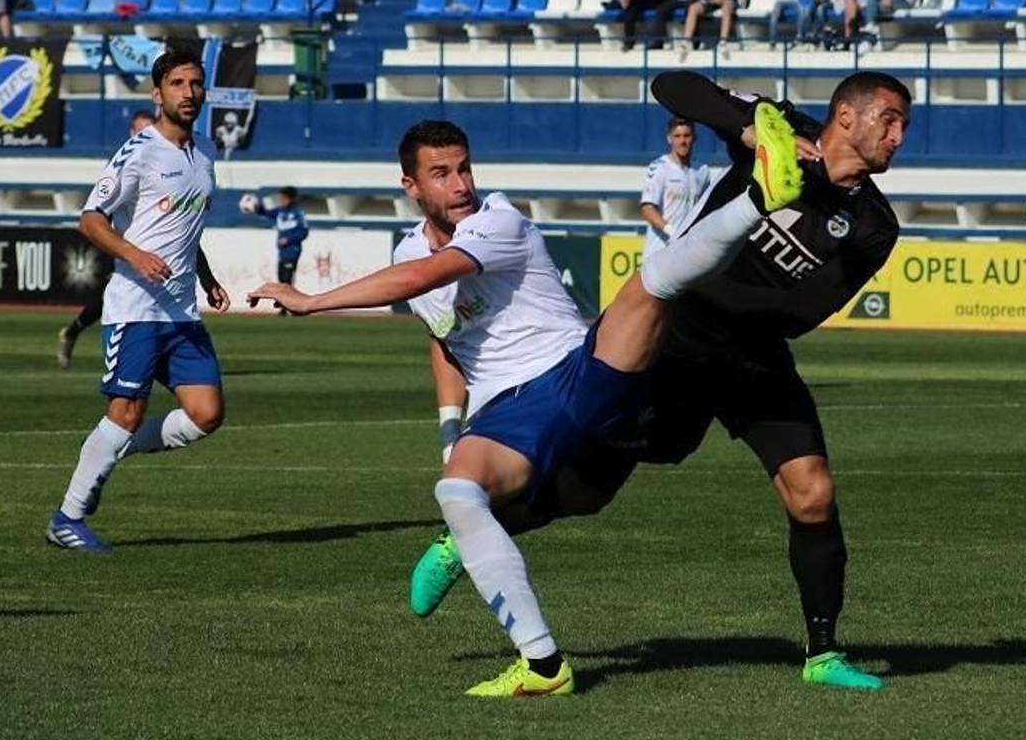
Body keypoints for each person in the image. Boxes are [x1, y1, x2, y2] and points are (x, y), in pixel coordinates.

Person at [247, 106, 808, 697]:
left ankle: (757, 197)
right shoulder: (406, 249)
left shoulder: (498, 217)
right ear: (410, 186)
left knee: (650, 286)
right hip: (512, 415)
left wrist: (312, 300)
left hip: (576, 372)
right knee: (459, 492)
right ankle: (543, 665)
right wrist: (450, 430)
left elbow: (424, 279)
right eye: (440, 173)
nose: (460, 184)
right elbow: (445, 341)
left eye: (464, 168)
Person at [407, 70, 912, 694]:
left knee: (813, 492)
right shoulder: (780, 132)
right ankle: (470, 534)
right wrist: (746, 125)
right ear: (844, 116)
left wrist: (734, 312)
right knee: (591, 489)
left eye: (902, 126)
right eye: (888, 120)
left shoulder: (873, 224)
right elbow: (672, 86)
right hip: (675, 338)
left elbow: (810, 308)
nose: (897, 136)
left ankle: (823, 653)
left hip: (754, 357)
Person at [46, 50, 231, 551]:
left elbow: (186, 229)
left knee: (206, 413)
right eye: (177, 84)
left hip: (181, 312)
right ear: (158, 94)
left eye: (196, 84)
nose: (189, 92)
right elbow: (90, 219)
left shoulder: (207, 152)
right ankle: (68, 517)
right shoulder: (139, 151)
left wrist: (207, 277)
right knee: (125, 412)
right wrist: (134, 253)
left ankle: (112, 446)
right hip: (136, 308)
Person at [57, 110, 157, 369]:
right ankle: (88, 341)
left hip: (145, 246)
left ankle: (73, 333)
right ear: (131, 134)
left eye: (150, 130)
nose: (146, 136)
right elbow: (98, 213)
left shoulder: (162, 162)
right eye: (141, 131)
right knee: (112, 298)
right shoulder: (121, 165)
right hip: (118, 244)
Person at [641, 116, 711, 260]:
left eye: (687, 136)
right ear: (669, 139)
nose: (682, 141)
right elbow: (647, 209)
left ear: (694, 138)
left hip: (686, 254)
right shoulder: (659, 167)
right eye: (677, 136)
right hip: (659, 252)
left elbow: (705, 210)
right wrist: (673, 231)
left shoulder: (702, 170)